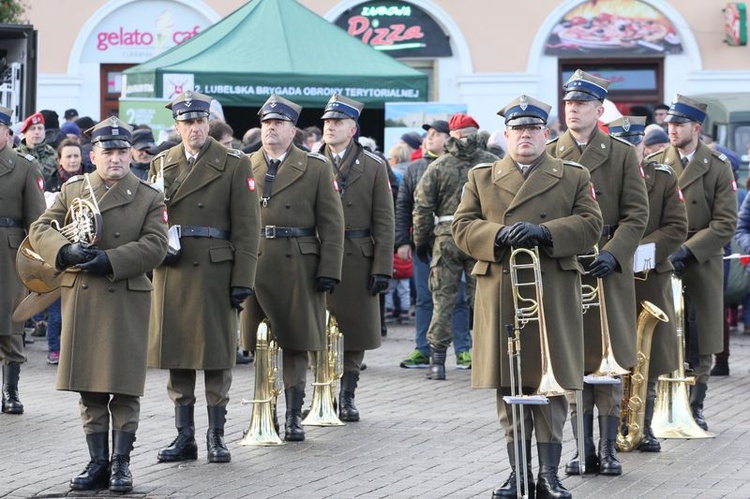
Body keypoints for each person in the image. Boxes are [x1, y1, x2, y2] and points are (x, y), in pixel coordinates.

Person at [452, 94, 602, 499]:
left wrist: (547, 232)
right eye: (518, 129)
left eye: (534, 128)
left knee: (552, 387)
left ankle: (549, 476)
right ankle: (518, 473)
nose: (526, 135)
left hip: (551, 289)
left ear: (546, 132)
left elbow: (592, 224)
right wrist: (496, 234)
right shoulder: (482, 177)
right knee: (511, 383)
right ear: (506, 134)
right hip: (502, 292)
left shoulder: (572, 175)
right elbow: (461, 227)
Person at [29, 117, 168, 492]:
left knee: (124, 387)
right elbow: (40, 228)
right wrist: (64, 249)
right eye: (109, 152)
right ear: (94, 155)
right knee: (89, 387)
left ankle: (122, 464)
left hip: (124, 296)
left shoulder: (148, 196)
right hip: (84, 297)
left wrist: (112, 261)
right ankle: (97, 463)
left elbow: (156, 245)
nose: (117, 159)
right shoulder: (75, 190)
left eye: (122, 151)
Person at [148, 90, 260, 464]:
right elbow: (152, 220)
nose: (194, 128)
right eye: (187, 122)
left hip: (215, 268)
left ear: (208, 123)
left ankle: (216, 436)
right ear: (177, 126)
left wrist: (243, 277)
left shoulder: (233, 162)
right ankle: (185, 437)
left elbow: (247, 227)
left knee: (215, 358)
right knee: (178, 356)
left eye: (200, 121)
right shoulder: (162, 163)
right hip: (174, 267)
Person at [546, 69, 649, 477]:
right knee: (574, 358)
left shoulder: (621, 152)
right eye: (569, 103)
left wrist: (614, 253)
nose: (573, 109)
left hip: (607, 265)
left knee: (607, 359)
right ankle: (581, 449)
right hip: (568, 265)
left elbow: (637, 214)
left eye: (582, 103)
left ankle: (607, 449)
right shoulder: (551, 151)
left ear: (599, 109)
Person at [240, 94, 344, 442]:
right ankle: (263, 412)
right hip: (254, 260)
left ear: (292, 129)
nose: (271, 128)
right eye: (266, 123)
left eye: (278, 123)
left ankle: (293, 416)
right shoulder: (242, 164)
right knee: (258, 344)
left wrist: (329, 267)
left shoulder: (315, 167)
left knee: (296, 343)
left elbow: (332, 223)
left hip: (299, 261)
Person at [647, 94, 738, 431]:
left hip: (701, 258)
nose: (672, 129)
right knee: (662, 332)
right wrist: (663, 247)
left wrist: (688, 250)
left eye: (679, 124)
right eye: (670, 123)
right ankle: (658, 406)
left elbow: (725, 222)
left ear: (696, 128)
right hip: (663, 255)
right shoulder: (656, 162)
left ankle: (695, 405)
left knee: (700, 335)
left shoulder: (716, 165)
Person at [608, 116, 688, 452]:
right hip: (610, 272)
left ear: (643, 144)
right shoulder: (600, 176)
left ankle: (643, 425)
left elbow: (676, 226)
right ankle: (609, 427)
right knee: (609, 351)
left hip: (649, 274)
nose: (630, 149)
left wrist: (643, 251)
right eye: (622, 144)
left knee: (650, 353)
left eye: (635, 143)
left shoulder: (663, 177)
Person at [317, 94, 394, 421]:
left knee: (354, 331)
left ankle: (347, 394)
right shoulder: (310, 161)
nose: (330, 127)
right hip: (319, 255)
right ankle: (322, 391)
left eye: (337, 122)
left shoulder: (374, 166)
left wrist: (382, 267)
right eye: (326, 122)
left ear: (353, 129)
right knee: (317, 328)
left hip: (359, 255)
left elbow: (385, 221)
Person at [413, 113, 499, 379]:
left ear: (452, 135)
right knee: (485, 302)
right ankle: (489, 361)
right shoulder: (493, 164)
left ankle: (437, 363)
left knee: (442, 301)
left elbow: (423, 208)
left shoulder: (439, 166)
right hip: (482, 238)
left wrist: (421, 241)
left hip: (446, 237)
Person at [0, 104, 45, 414]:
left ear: (7, 133)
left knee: (11, 319)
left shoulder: (24, 166)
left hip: (9, 250)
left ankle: (11, 390)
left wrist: (37, 263)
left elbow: (37, 219)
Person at [18, 111, 58, 184]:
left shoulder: (53, 153)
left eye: (40, 128)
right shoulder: (15, 154)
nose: (37, 132)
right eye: (32, 129)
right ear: (24, 133)